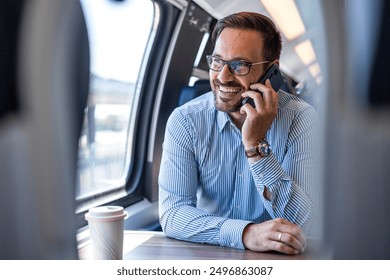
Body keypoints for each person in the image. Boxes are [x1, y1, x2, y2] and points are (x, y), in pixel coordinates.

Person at [158, 12, 318, 255]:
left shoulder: (301, 119)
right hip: (209, 258)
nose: (222, 77)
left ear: (271, 71)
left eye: (239, 65)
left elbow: (304, 225)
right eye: (217, 61)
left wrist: (256, 147)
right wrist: (245, 233)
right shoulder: (185, 120)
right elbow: (173, 214)